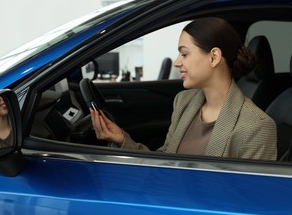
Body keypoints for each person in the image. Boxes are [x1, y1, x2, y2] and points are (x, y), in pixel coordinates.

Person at [91, 17, 277, 160]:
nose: (177, 62)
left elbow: (250, 203)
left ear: (213, 57)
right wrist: (122, 140)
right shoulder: (184, 101)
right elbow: (166, 160)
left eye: (184, 54)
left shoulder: (256, 126)